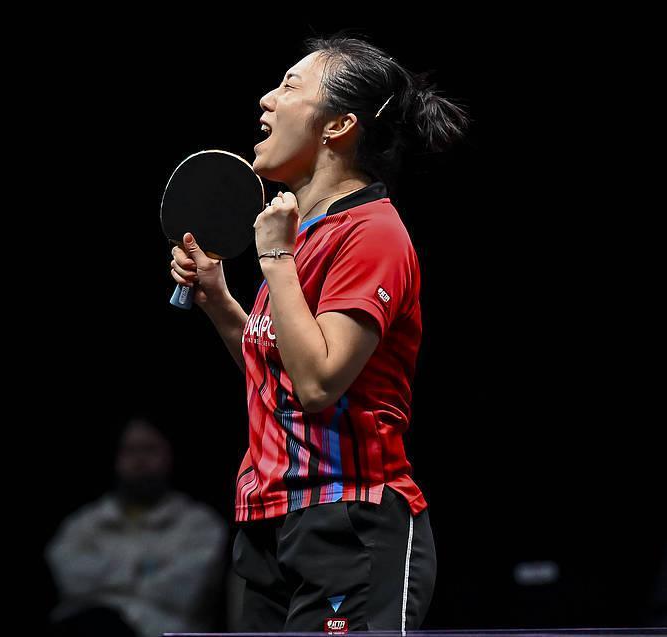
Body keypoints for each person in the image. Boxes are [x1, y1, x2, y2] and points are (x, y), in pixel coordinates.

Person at [168, 33, 467, 632]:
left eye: (289, 86)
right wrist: (221, 304)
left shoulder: (372, 233)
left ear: (338, 126)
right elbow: (280, 372)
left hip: (351, 522)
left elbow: (318, 383)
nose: (266, 100)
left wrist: (274, 259)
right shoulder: (302, 234)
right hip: (271, 519)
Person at [45, 418, 227, 637]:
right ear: (116, 458)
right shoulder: (85, 523)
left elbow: (186, 590)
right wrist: (142, 569)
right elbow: (70, 579)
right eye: (130, 450)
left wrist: (107, 579)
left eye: (150, 449)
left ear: (170, 455)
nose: (140, 460)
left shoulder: (200, 525)